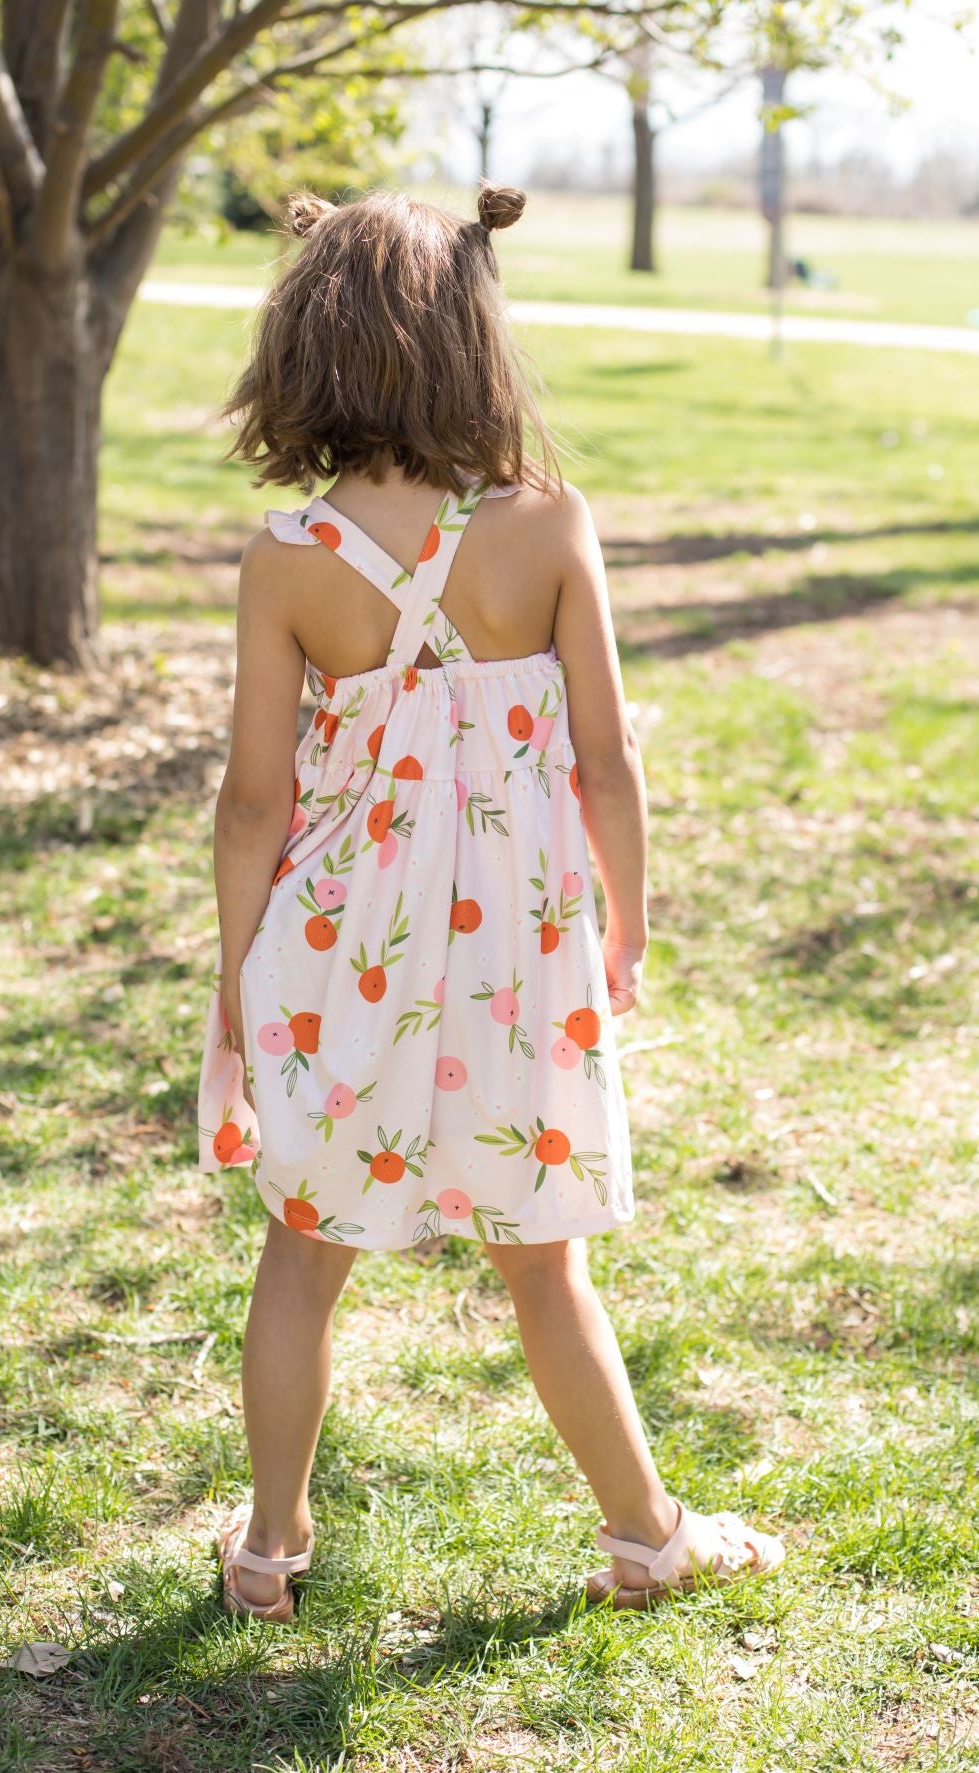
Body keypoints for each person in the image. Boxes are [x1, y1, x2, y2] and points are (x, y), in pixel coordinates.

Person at [197, 182, 785, 1622]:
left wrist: (234, 967)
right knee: (541, 1263)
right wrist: (624, 923)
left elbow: (253, 800)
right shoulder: (545, 525)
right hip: (518, 951)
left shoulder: (288, 560)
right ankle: (645, 1534)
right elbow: (606, 755)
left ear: (310, 343)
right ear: (475, 337)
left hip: (341, 948)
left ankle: (271, 1546)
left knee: (303, 1247)